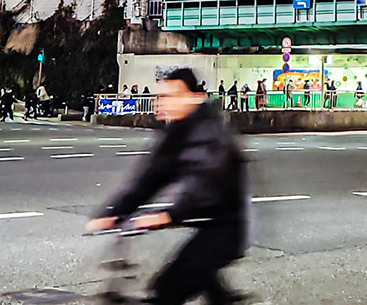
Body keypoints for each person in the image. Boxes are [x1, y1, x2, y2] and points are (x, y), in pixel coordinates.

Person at [87, 68, 248, 305]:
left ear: (194, 97)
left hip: (228, 226)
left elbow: (202, 178)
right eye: (159, 97)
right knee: (198, 280)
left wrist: (169, 214)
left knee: (168, 288)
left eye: (170, 96)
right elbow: (149, 177)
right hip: (205, 221)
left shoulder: (209, 131)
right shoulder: (177, 132)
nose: (160, 103)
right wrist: (115, 212)